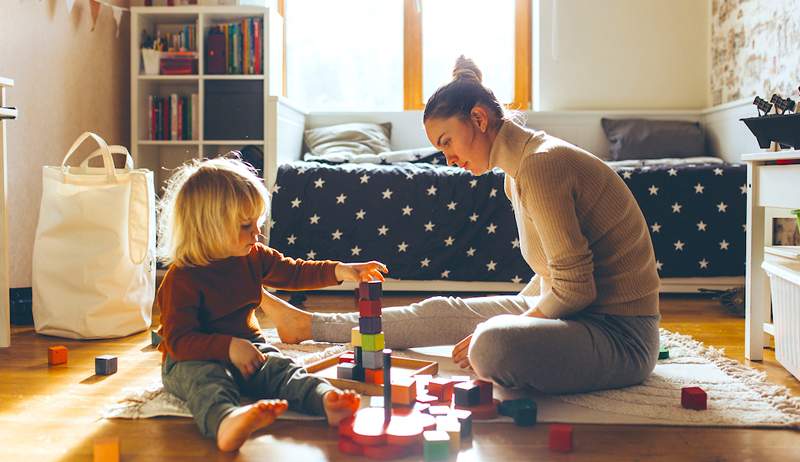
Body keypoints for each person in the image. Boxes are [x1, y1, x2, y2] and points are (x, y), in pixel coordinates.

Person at [267, 56, 661, 395]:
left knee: (490, 345)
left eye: (447, 142)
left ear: (478, 118)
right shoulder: (517, 171)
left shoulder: (542, 165)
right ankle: (307, 323)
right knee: (443, 310)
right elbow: (552, 275)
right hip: (579, 314)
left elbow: (576, 288)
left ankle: (495, 334)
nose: (449, 159)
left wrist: (506, 324)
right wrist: (512, 313)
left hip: (620, 336)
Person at [156, 155, 387, 452]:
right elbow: (178, 340)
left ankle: (324, 400)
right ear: (207, 227)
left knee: (282, 367)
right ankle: (224, 421)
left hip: (248, 348)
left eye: (258, 223)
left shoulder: (253, 254)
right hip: (190, 357)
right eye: (245, 225)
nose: (257, 233)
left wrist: (340, 270)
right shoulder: (182, 277)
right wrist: (227, 347)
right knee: (208, 381)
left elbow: (294, 271)